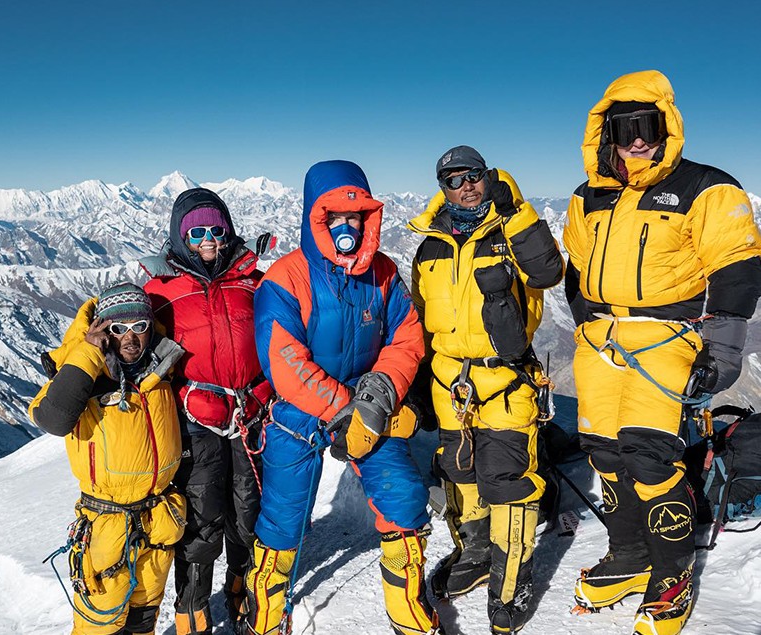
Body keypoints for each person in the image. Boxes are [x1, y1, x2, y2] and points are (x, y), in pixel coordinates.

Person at [563, 69, 761, 635]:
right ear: (607, 132)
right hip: (601, 342)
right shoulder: (589, 196)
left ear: (666, 125)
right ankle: (628, 554)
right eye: (625, 125)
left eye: (647, 123)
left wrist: (723, 344)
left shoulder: (707, 187)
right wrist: (583, 319)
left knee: (651, 456)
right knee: (604, 452)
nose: (637, 137)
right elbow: (578, 266)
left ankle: (672, 573)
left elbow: (738, 266)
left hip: (668, 337)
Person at [240, 160, 440, 635]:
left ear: (368, 219)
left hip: (370, 403)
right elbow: (284, 361)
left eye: (356, 217)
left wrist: (381, 390)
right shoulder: (286, 279)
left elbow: (407, 338)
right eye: (335, 216)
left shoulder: (385, 273)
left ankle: (408, 608)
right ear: (316, 217)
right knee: (284, 516)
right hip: (303, 409)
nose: (346, 226)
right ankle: (265, 614)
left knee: (404, 497)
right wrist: (343, 407)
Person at [407, 146, 564, 634]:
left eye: (473, 176)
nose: (465, 186)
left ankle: (511, 581)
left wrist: (514, 210)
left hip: (507, 377)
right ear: (442, 188)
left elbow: (548, 272)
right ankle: (474, 553)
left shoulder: (511, 228)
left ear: (487, 177)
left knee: (509, 484)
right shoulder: (430, 245)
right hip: (449, 382)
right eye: (453, 180)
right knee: (461, 472)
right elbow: (419, 316)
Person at [135, 187, 273, 635]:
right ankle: (192, 611)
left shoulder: (253, 280)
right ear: (180, 238)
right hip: (194, 420)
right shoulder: (159, 294)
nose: (209, 239)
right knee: (201, 515)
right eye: (196, 233)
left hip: (251, 415)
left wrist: (268, 389)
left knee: (248, 509)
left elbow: (281, 339)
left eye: (217, 229)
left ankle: (242, 589)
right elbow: (132, 345)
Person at [29, 283, 187, 635]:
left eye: (139, 327)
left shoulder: (162, 369)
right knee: (100, 626)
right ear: (103, 331)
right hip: (107, 527)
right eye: (118, 329)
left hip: (158, 519)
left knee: (144, 619)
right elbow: (53, 419)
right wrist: (88, 352)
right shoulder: (86, 378)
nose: (130, 338)